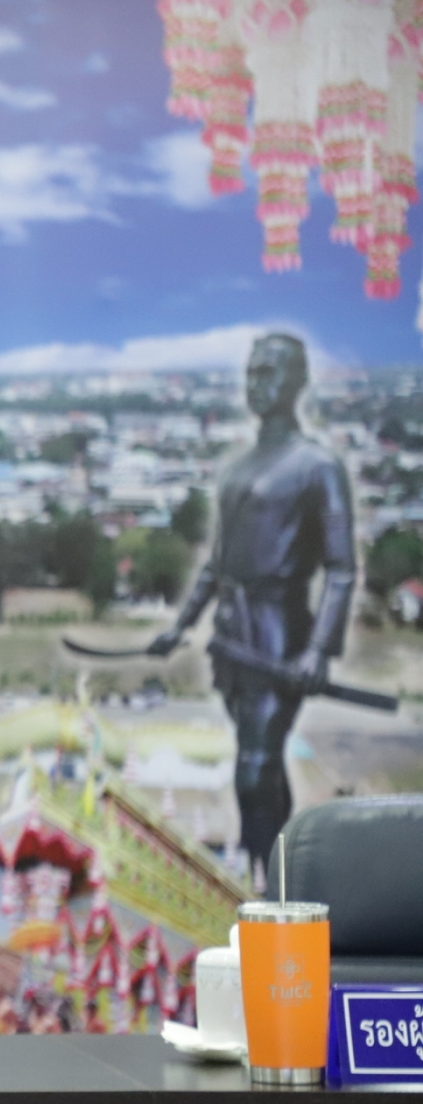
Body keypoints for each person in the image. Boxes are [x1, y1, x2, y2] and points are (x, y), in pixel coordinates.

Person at [145, 332, 356, 877]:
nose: (258, 383)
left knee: (255, 765)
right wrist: (182, 624)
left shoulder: (317, 467)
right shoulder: (237, 467)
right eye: (252, 372)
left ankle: (271, 881)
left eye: (271, 372)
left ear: (297, 381)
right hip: (234, 633)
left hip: (280, 630)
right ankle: (269, 874)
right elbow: (218, 565)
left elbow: (341, 568)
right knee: (258, 760)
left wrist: (319, 650)